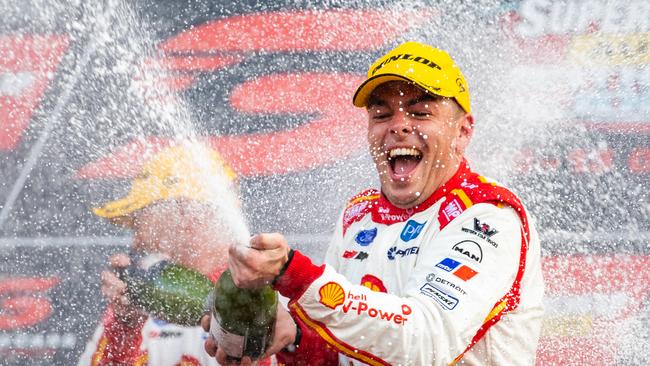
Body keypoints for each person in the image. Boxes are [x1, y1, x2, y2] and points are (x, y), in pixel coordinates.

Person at [203, 41, 544, 365]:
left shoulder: (489, 216)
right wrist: (293, 338)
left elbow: (424, 344)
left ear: (462, 132)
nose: (398, 127)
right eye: (382, 115)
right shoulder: (358, 215)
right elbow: (346, 351)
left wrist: (295, 275)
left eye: (420, 113)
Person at [77, 142, 247, 366]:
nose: (136, 240)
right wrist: (125, 327)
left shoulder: (268, 295)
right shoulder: (137, 301)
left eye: (141, 220)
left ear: (185, 215)